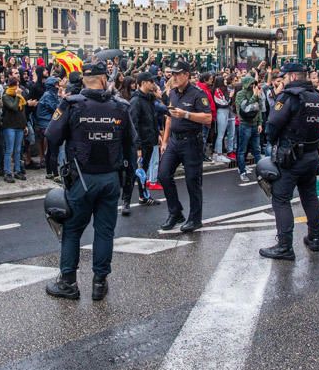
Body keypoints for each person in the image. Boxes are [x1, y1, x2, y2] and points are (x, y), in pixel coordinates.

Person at [44, 60, 135, 301]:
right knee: (104, 232)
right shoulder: (121, 107)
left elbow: (51, 135)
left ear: (84, 79)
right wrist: (128, 184)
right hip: (110, 178)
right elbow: (131, 145)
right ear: (105, 79)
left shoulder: (72, 105)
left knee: (72, 230)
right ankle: (99, 283)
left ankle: (68, 283)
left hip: (81, 179)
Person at [259, 63, 319, 260]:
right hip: (311, 154)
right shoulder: (318, 96)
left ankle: (284, 246)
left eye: (284, 77)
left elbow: (272, 123)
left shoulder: (289, 97)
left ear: (291, 76)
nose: (282, 80)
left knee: (280, 199)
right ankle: (314, 238)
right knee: (310, 196)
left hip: (290, 156)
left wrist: (273, 141)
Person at [158, 60, 212, 233]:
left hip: (191, 142)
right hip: (174, 141)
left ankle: (195, 219)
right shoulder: (172, 93)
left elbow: (208, 118)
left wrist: (186, 114)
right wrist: (165, 141)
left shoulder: (198, 94)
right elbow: (169, 118)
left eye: (177, 73)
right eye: (172, 73)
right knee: (164, 175)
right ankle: (175, 212)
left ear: (186, 75)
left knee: (192, 181)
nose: (173, 77)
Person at [122, 71, 161, 215]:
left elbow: (153, 118)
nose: (154, 84)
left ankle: (144, 196)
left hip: (149, 141)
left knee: (142, 172)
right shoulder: (136, 101)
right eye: (151, 82)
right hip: (139, 144)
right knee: (132, 173)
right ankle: (126, 202)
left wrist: (157, 134)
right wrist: (137, 146)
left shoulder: (149, 99)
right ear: (143, 83)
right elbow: (133, 125)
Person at [235, 75, 263, 182]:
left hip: (255, 124)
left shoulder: (255, 92)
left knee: (257, 150)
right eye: (251, 84)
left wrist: (260, 123)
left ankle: (260, 172)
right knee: (242, 150)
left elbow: (259, 108)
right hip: (244, 124)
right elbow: (245, 108)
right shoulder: (240, 94)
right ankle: (242, 172)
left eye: (253, 84)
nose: (253, 86)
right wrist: (254, 96)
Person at [0, 77, 28, 183]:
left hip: (19, 126)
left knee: (18, 150)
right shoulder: (5, 96)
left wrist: (24, 125)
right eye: (17, 84)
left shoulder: (20, 97)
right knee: (9, 150)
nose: (18, 87)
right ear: (12, 85)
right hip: (9, 126)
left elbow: (22, 112)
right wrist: (17, 96)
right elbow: (13, 107)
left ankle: (17, 171)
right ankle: (7, 172)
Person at [36, 77, 61, 179]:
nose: (58, 86)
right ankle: (55, 175)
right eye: (56, 84)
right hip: (47, 125)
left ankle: (49, 173)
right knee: (53, 150)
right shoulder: (48, 96)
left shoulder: (50, 95)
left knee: (50, 150)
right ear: (51, 85)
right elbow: (56, 109)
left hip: (47, 124)